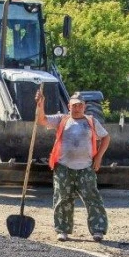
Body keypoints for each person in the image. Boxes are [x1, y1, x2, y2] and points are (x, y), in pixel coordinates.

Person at [35, 90, 111, 242]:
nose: (77, 108)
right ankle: (62, 230)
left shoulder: (91, 122)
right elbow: (41, 120)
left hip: (86, 168)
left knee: (92, 198)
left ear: (84, 106)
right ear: (69, 106)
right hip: (64, 167)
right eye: (74, 105)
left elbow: (106, 137)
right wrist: (40, 104)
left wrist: (98, 158)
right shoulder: (61, 119)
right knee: (63, 199)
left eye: (80, 105)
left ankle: (98, 230)